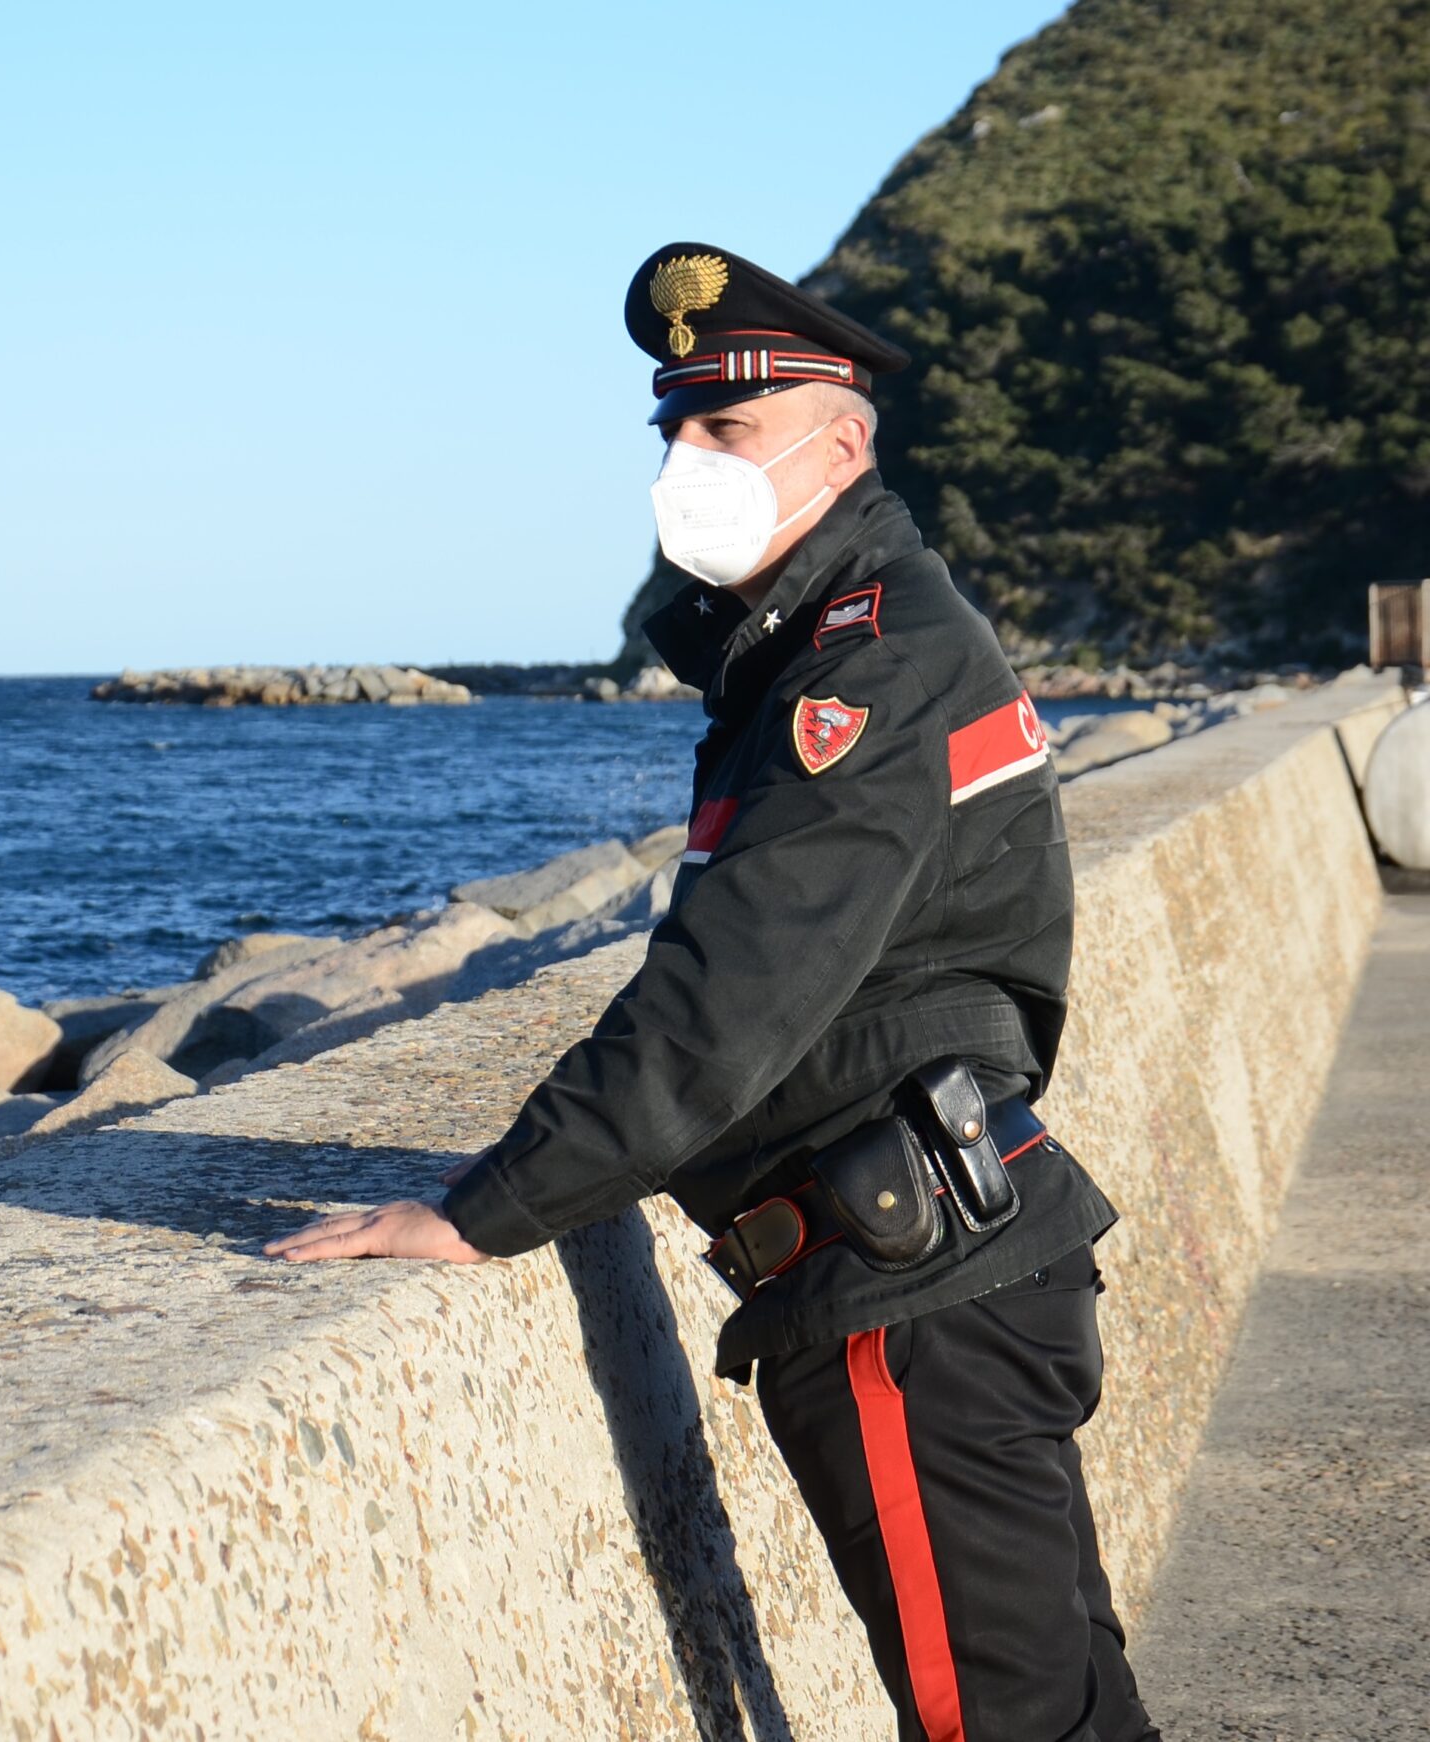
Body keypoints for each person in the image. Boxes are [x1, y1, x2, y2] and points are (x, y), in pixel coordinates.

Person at [265, 242, 1161, 1742]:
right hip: (956, 1257)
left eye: (729, 428)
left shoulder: (864, 674)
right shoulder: (828, 646)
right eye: (674, 429)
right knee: (1063, 1711)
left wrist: (485, 1208)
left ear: (843, 448)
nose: (689, 460)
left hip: (911, 1301)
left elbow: (724, 999)